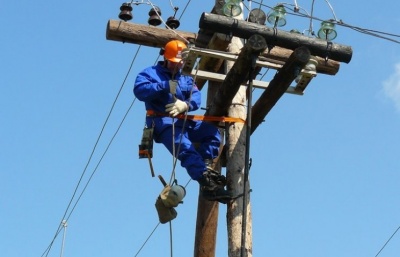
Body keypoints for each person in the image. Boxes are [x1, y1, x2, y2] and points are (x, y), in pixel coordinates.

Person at [134, 39, 231, 203]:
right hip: (163, 123)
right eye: (174, 63)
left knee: (213, 134)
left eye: (180, 63)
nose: (177, 66)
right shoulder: (149, 73)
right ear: (165, 58)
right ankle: (207, 184)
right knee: (185, 148)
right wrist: (163, 86)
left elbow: (196, 97)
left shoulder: (185, 79)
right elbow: (139, 91)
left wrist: (186, 104)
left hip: (185, 121)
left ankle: (204, 166)